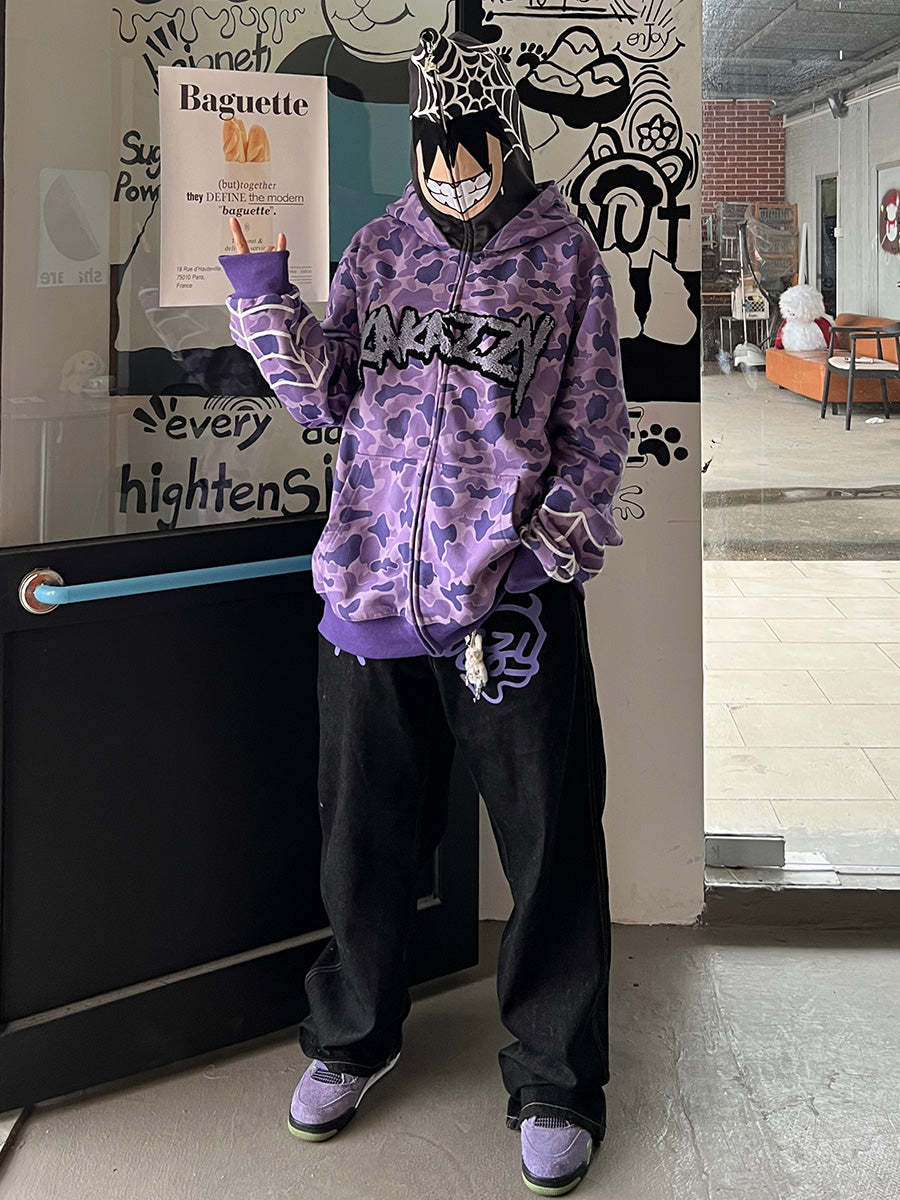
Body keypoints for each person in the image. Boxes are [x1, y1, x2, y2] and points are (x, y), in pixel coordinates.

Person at [219, 28, 630, 1197]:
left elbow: (597, 435)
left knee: (548, 845)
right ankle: (352, 1035)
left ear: (504, 142)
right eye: (433, 156)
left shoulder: (567, 259)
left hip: (512, 612)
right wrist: (262, 297)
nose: (450, 175)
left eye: (468, 155)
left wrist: (534, 568)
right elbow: (327, 397)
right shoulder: (379, 245)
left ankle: (557, 1078)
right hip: (368, 603)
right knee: (363, 841)